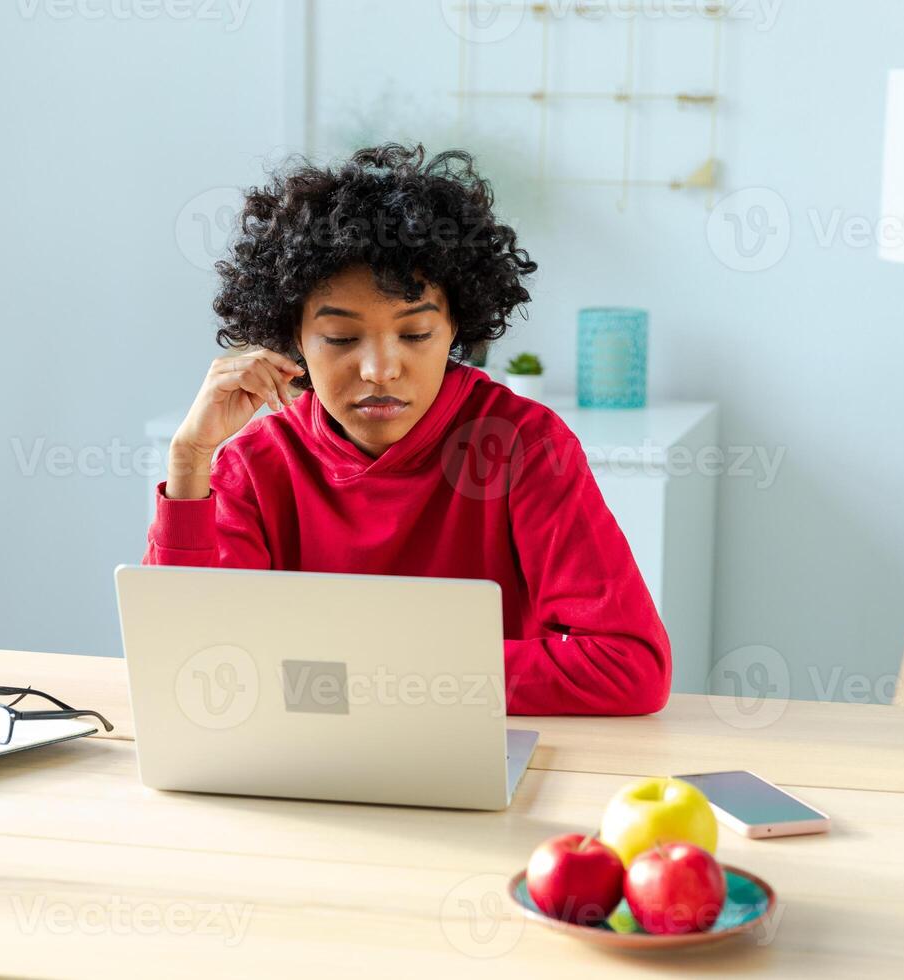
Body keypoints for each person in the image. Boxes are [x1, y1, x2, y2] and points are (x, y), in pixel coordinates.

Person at [144, 143, 670, 716]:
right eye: (342, 339)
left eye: (416, 335)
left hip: (474, 754)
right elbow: (191, 666)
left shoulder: (523, 446)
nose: (379, 369)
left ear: (455, 330)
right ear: (292, 339)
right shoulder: (256, 463)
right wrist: (190, 460)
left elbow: (628, 667)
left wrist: (375, 676)